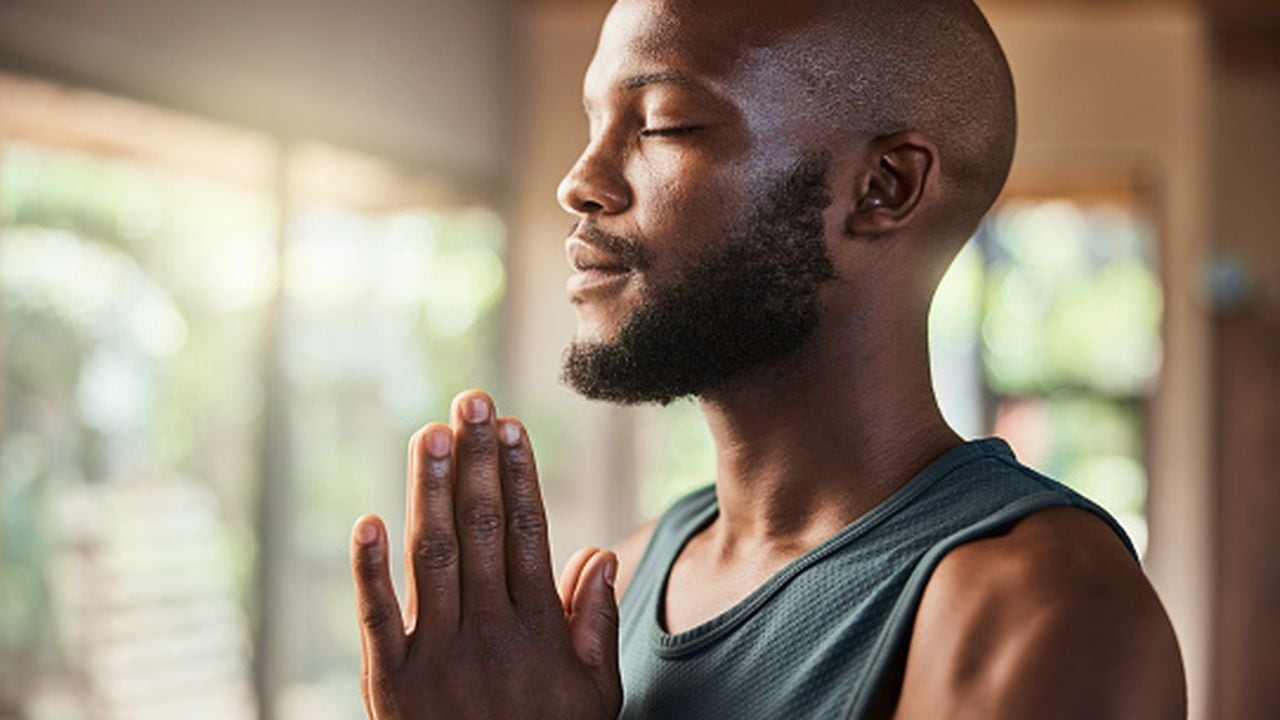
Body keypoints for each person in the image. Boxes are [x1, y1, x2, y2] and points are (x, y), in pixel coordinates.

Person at [347, 0, 1187, 717]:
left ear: (883, 188)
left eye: (664, 124)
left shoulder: (1041, 613)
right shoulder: (629, 574)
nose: (580, 180)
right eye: (592, 123)